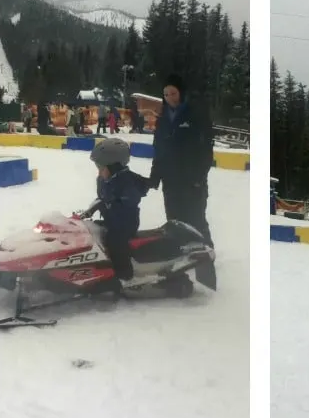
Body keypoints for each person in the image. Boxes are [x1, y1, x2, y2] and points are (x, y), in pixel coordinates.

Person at [148, 73, 214, 248]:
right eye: (166, 95)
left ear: (181, 93)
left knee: (196, 221)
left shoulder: (196, 115)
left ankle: (206, 257)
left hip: (192, 181)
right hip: (170, 181)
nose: (170, 98)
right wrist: (155, 176)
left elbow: (206, 150)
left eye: (173, 93)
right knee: (175, 222)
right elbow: (159, 151)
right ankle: (180, 256)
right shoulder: (162, 120)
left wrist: (198, 178)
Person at [84, 138, 149, 288]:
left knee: (114, 241)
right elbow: (102, 198)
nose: (99, 171)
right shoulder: (103, 179)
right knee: (93, 232)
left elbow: (131, 199)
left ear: (115, 166)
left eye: (101, 168)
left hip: (125, 222)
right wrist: (91, 210)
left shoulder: (127, 182)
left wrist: (117, 201)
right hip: (110, 219)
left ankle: (125, 275)